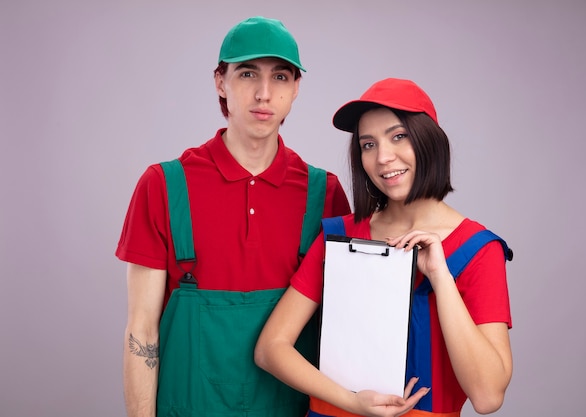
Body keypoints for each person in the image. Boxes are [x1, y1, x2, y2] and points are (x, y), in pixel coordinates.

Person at [116, 16, 351, 417]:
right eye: (247, 74)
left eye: (280, 77)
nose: (263, 94)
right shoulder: (163, 186)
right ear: (220, 82)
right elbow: (142, 331)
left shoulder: (324, 195)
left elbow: (343, 330)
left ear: (296, 89)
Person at [255, 78, 513, 417]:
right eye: (368, 145)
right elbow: (270, 348)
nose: (383, 158)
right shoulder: (341, 235)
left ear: (429, 142)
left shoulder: (478, 250)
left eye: (398, 137)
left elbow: (487, 397)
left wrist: (439, 275)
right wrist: (352, 401)